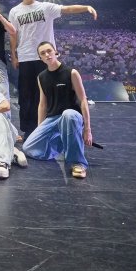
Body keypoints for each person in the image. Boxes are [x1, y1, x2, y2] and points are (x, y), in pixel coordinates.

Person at [8, 0, 97, 136]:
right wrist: (14, 55)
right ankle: (28, 130)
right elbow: (13, 35)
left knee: (46, 95)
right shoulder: (15, 11)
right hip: (25, 57)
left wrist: (86, 7)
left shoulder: (46, 7)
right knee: (26, 96)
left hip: (46, 58)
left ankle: (48, 127)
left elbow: (67, 9)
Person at [22, 41, 93, 179]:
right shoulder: (41, 77)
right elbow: (42, 104)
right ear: (40, 58)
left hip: (71, 116)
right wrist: (40, 129)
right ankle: (65, 142)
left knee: (68, 114)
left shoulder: (71, 73)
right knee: (28, 148)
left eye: (49, 51)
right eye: (43, 53)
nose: (47, 54)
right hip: (52, 118)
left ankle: (77, 163)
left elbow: (83, 100)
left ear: (55, 51)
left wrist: (87, 130)